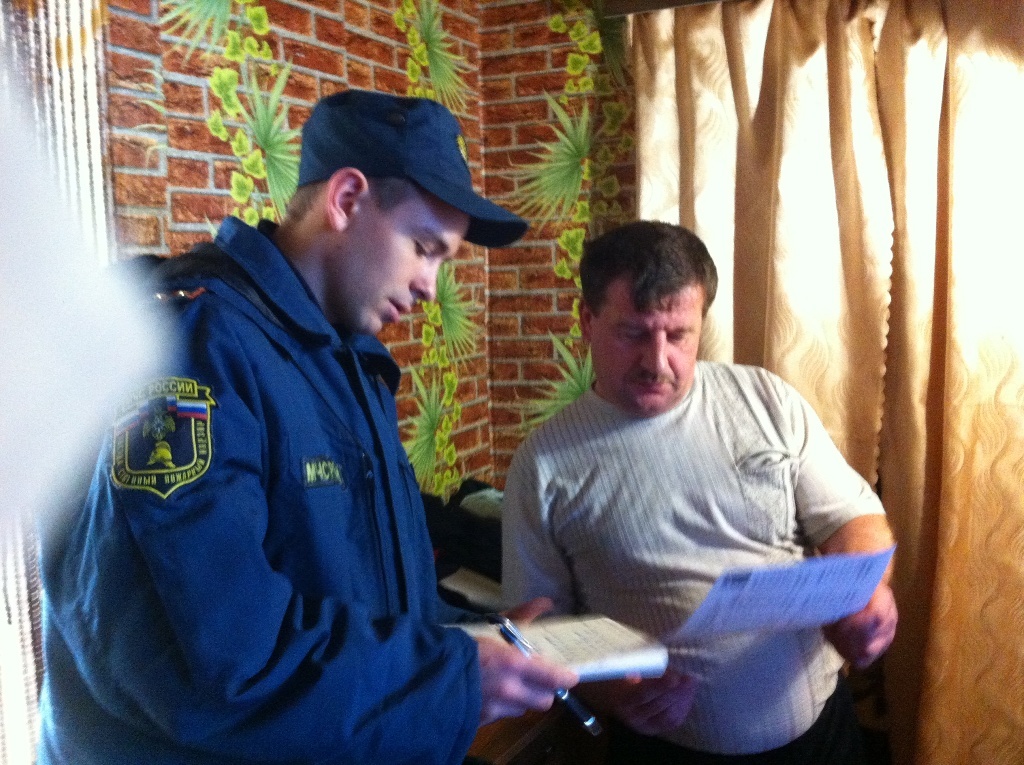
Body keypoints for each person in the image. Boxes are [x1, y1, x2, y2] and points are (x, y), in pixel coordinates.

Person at [37, 89, 578, 765]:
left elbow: (360, 593)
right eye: (424, 248)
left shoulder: (347, 362)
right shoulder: (189, 349)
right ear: (346, 199)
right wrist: (450, 675)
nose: (430, 286)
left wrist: (474, 638)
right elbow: (218, 661)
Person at [502, 221, 898, 764]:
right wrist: (613, 691)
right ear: (588, 321)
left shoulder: (764, 399)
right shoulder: (543, 463)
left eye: (679, 334)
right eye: (633, 333)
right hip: (666, 750)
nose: (657, 361)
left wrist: (865, 596)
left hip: (824, 736)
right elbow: (538, 623)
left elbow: (853, 518)